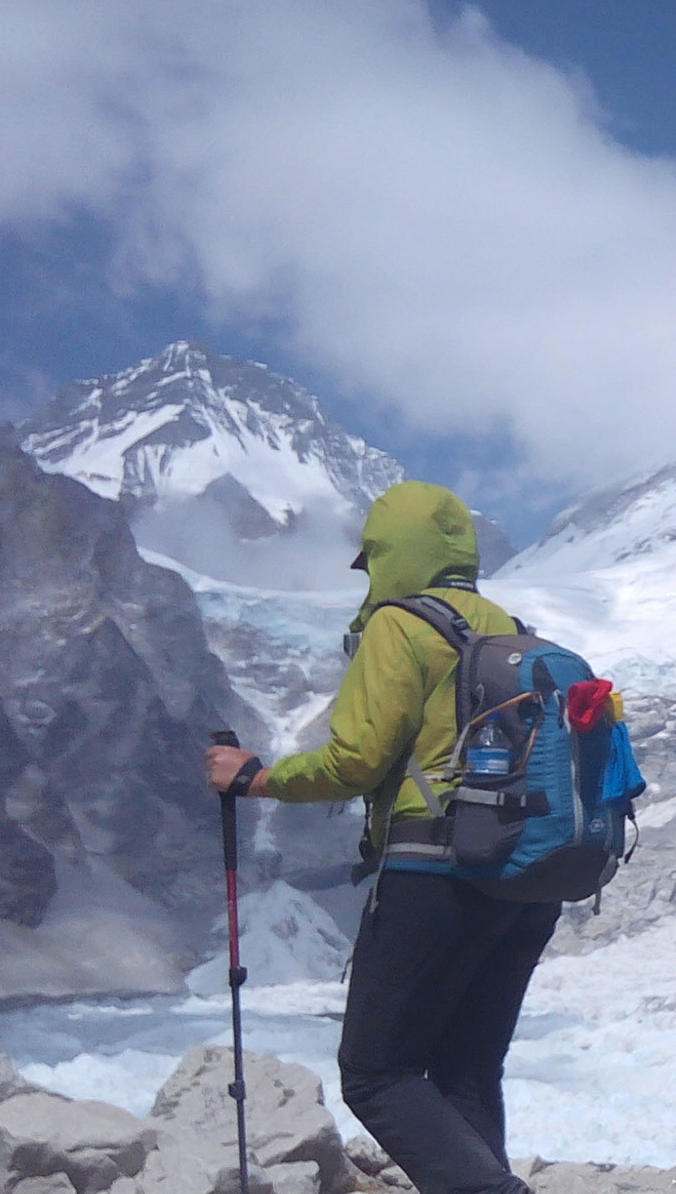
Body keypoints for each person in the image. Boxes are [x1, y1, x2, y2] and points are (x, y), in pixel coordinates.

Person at [204, 481, 550, 1194]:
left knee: (375, 1072)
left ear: (394, 554)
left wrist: (254, 779)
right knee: (467, 1071)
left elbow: (354, 759)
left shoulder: (402, 625)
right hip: (526, 879)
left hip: (434, 874)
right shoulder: (514, 630)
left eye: (372, 560)